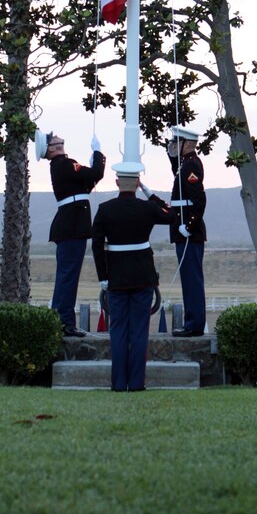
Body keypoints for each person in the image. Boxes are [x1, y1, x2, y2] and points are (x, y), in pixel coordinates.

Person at [91, 168, 174, 392]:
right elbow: (171, 214)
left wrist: (103, 277)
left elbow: (97, 246)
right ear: (137, 183)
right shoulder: (147, 208)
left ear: (117, 182)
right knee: (139, 332)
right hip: (142, 276)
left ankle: (118, 383)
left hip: (116, 278)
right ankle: (136, 383)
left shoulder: (105, 209)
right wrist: (150, 194)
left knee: (118, 332)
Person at [36, 130, 105, 337]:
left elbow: (87, 184)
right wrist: (98, 155)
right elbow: (95, 175)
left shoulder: (64, 166)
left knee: (67, 276)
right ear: (51, 148)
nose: (56, 136)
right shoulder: (65, 164)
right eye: (52, 138)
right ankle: (64, 322)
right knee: (68, 277)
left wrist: (94, 165)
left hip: (71, 226)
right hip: (72, 227)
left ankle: (62, 320)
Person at [166, 125, 207, 337]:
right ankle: (192, 322)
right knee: (188, 279)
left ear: (188, 143)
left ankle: (194, 325)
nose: (173, 145)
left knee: (192, 280)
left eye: (177, 142)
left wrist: (189, 226)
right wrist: (170, 151)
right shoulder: (184, 164)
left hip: (188, 231)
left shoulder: (191, 165)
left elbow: (199, 200)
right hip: (183, 229)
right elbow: (176, 171)